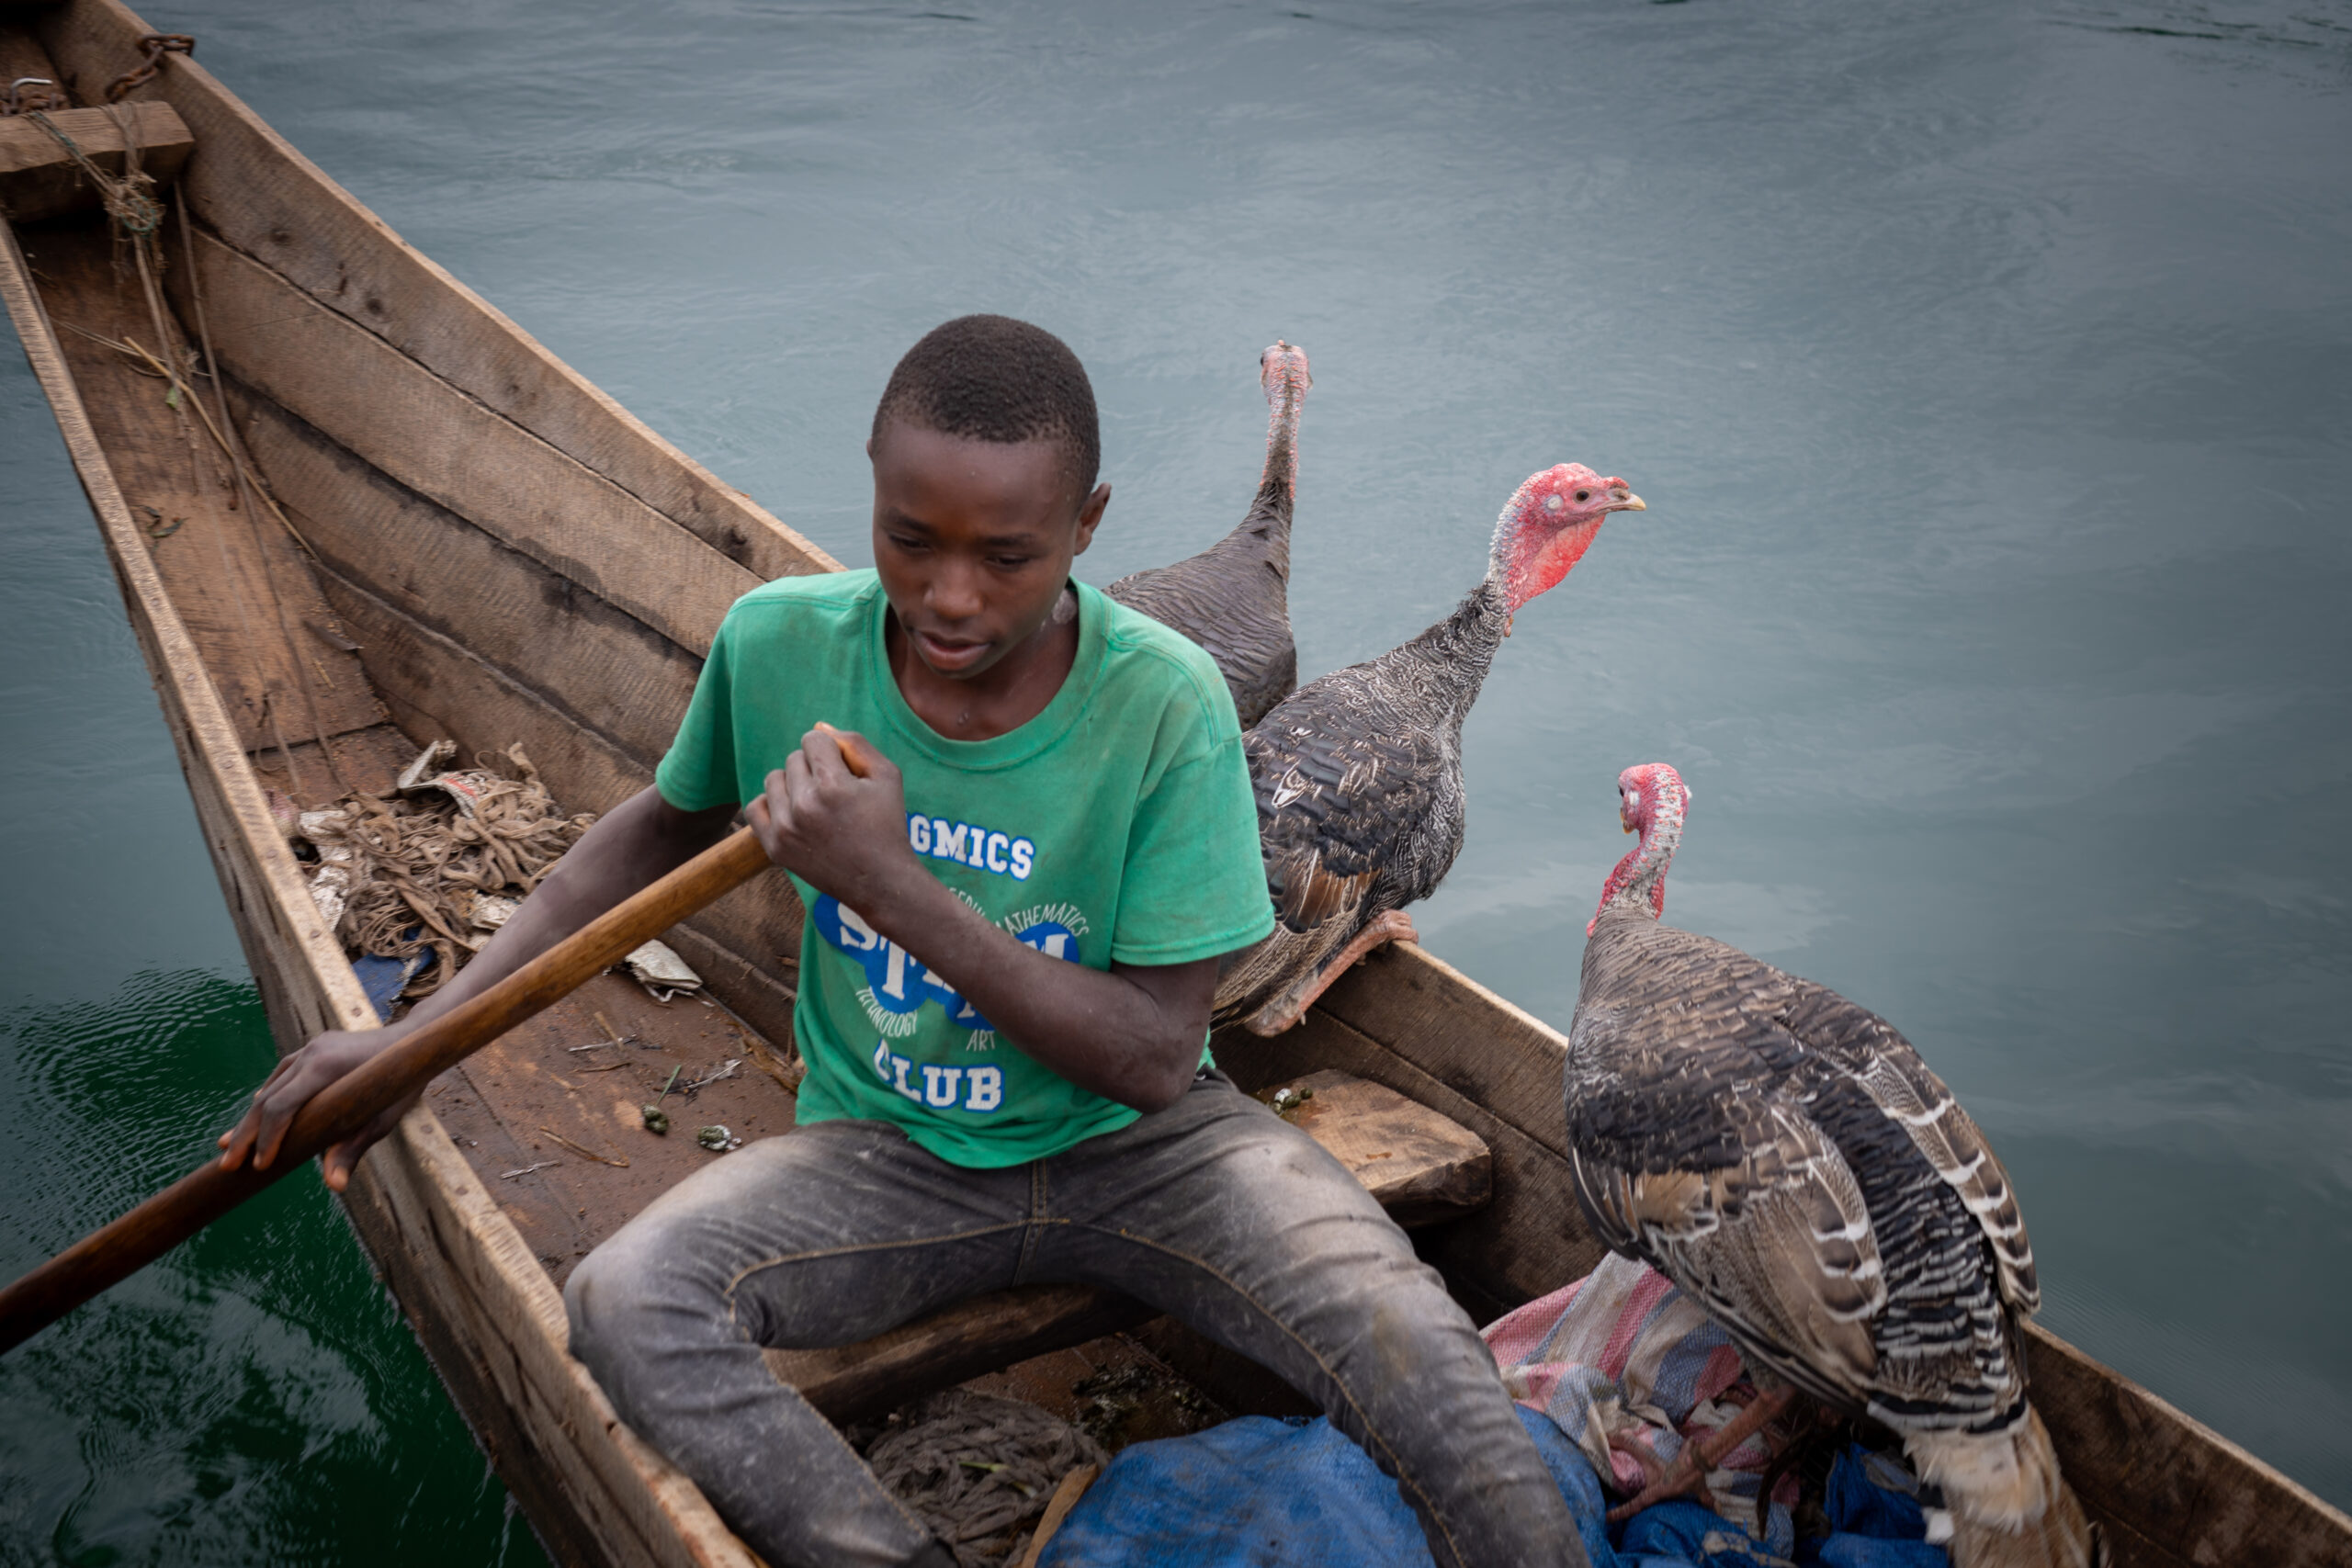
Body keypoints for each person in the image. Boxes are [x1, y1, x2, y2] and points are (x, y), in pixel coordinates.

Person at [218, 315, 1584, 1568]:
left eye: (1009, 556)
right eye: (909, 538)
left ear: (1088, 527)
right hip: (886, 1155)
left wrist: (892, 887)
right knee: (629, 1300)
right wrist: (415, 1041)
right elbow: (647, 836)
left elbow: (1157, 1059)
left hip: (1153, 1154)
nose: (951, 599)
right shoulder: (781, 644)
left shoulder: (1165, 705)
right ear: (870, 481)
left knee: (1422, 1354)